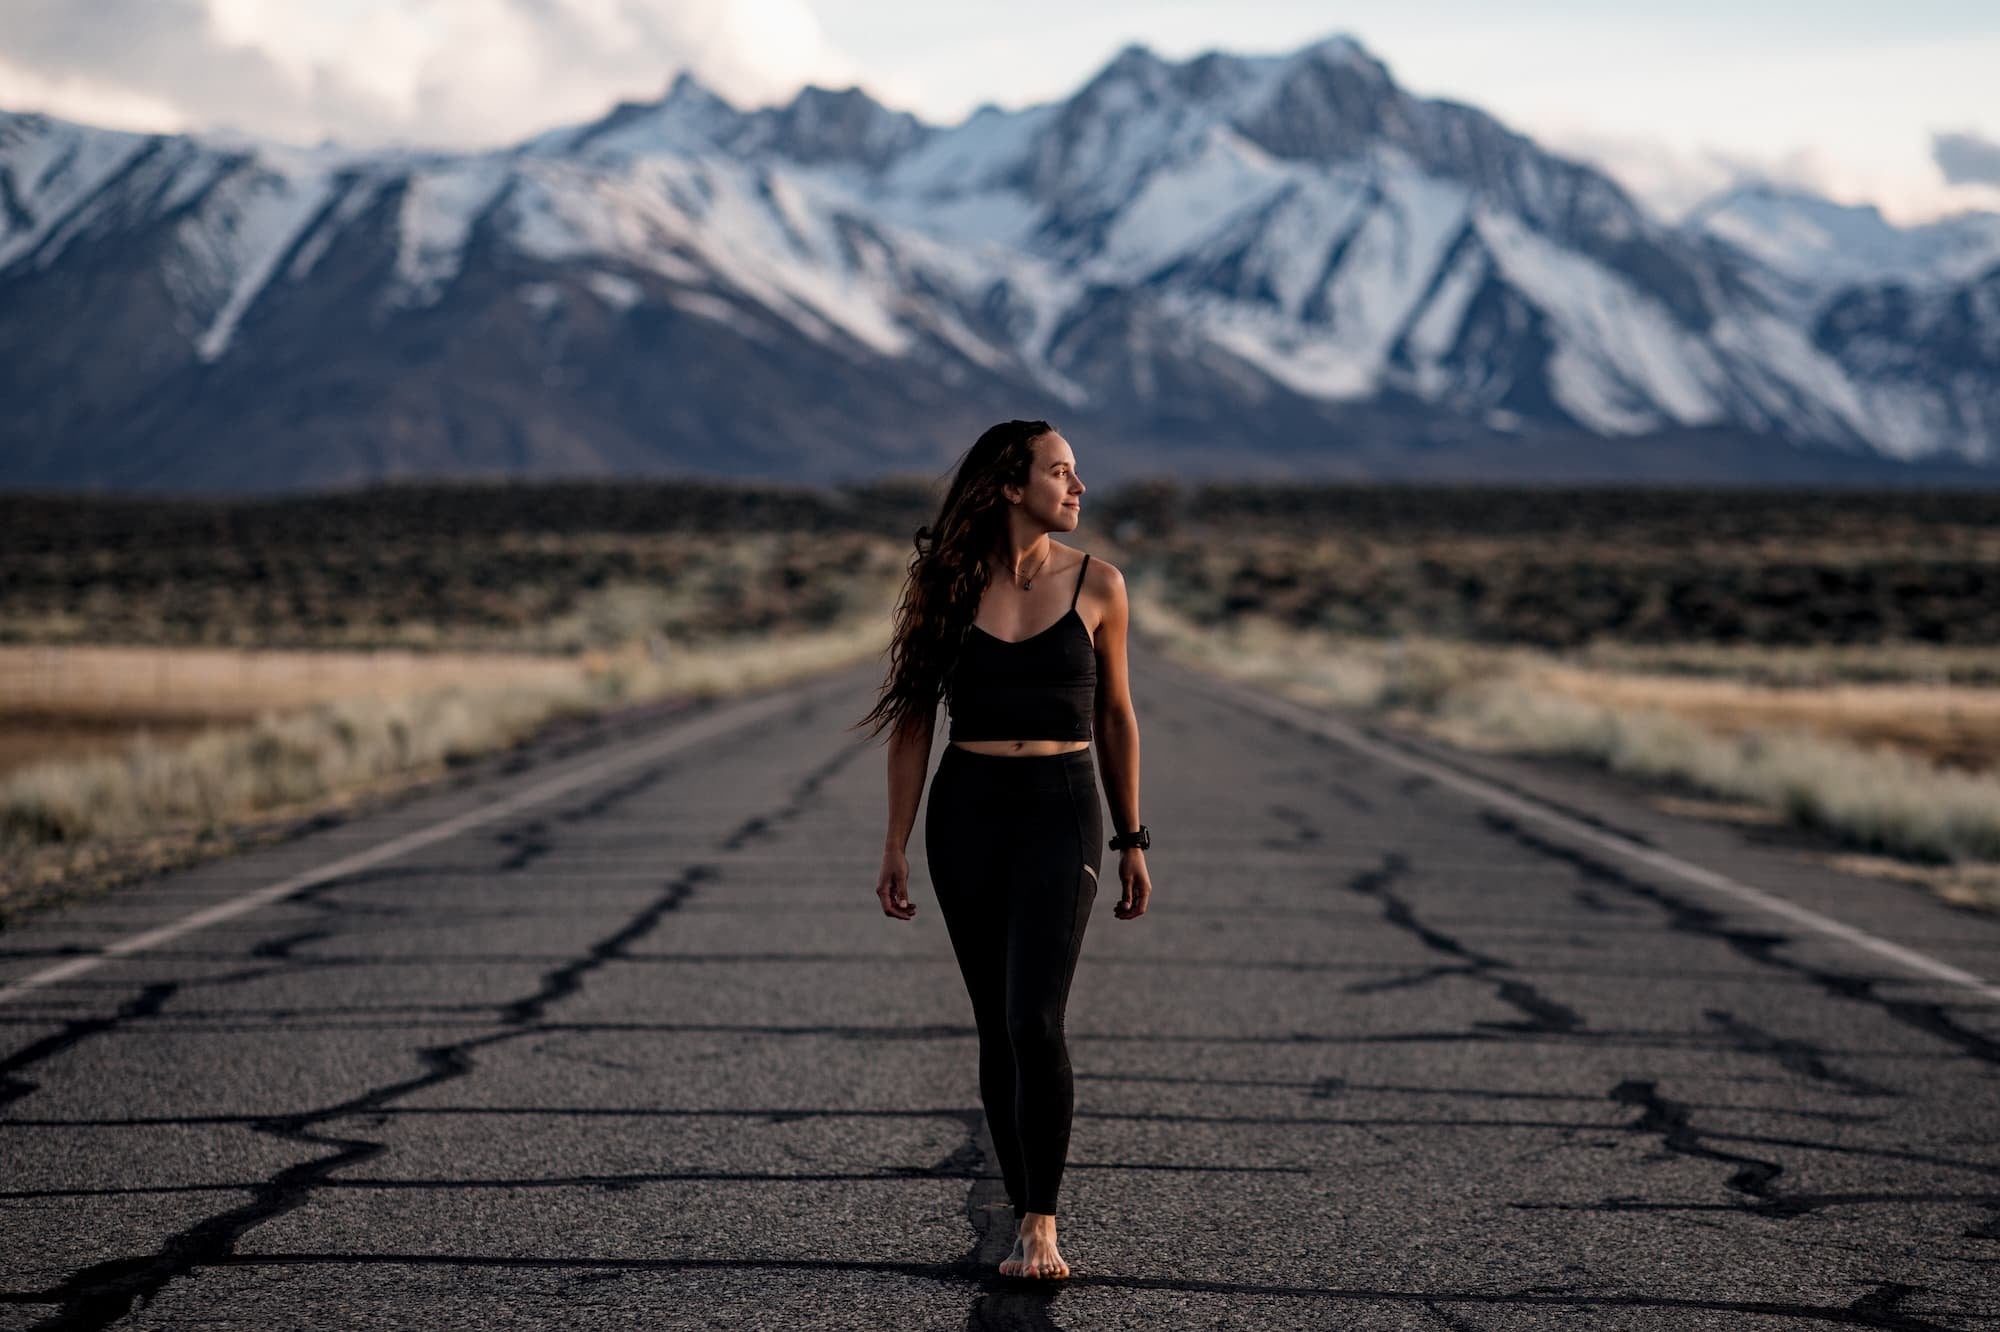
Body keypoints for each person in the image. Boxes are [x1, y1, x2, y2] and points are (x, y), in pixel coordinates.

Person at [853, 419, 1152, 1281]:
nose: (1079, 487)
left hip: (1062, 808)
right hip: (967, 812)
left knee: (1035, 1019)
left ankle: (1041, 1224)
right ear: (1011, 486)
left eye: (1078, 472)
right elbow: (912, 720)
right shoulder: (945, 586)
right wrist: (894, 842)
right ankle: (1023, 1205)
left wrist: (1133, 839)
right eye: (1061, 472)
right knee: (995, 1026)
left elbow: (1116, 718)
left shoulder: (1100, 585)